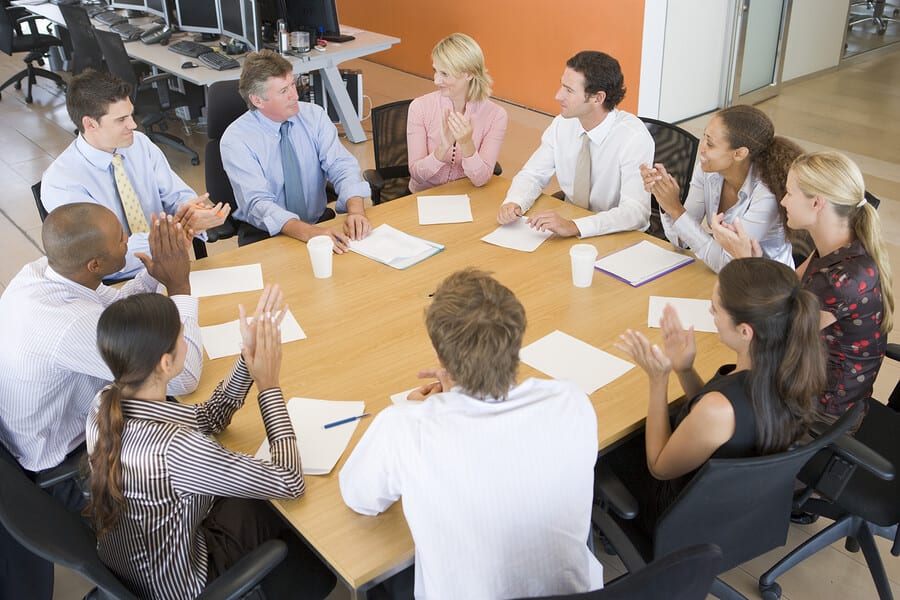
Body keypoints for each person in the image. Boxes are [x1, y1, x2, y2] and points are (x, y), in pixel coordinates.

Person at [339, 269, 603, 599]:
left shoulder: (406, 427)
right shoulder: (571, 402)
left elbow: (358, 497)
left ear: (439, 357)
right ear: (517, 342)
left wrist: (421, 408)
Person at [86, 286, 335, 600]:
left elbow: (209, 418)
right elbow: (289, 481)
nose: (188, 342)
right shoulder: (176, 449)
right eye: (181, 335)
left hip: (134, 568)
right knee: (294, 512)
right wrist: (269, 386)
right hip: (186, 585)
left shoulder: (104, 403)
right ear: (165, 363)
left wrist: (248, 358)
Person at [605, 257, 826, 533]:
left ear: (745, 331)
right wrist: (684, 369)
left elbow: (660, 467)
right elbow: (719, 424)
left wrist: (658, 380)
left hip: (678, 518)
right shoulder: (791, 367)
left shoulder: (719, 409)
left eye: (715, 310)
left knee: (604, 449)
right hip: (737, 505)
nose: (711, 314)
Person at [0, 204, 201, 485]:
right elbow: (183, 378)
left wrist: (156, 272)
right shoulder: (72, 325)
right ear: (95, 265)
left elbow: (114, 309)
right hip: (67, 460)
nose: (129, 239)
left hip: (28, 435)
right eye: (121, 238)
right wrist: (179, 288)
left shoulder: (41, 271)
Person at [719, 152, 893, 422]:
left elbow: (776, 334)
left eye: (789, 193)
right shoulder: (836, 243)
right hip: (805, 380)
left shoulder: (842, 280)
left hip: (820, 414)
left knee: (718, 395)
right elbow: (791, 288)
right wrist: (754, 262)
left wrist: (744, 264)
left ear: (817, 203)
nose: (783, 200)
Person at [42, 69, 228, 280]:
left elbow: (176, 196)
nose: (133, 124)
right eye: (121, 119)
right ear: (90, 124)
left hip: (169, 263)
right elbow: (105, 255)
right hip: (112, 282)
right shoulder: (62, 182)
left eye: (131, 114)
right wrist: (172, 234)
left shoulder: (140, 144)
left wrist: (194, 213)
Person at [221, 49, 372, 250]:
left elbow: (341, 165)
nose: (295, 95)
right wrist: (309, 234)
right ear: (258, 100)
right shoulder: (236, 140)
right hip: (266, 233)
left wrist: (356, 211)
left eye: (293, 84)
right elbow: (258, 203)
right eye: (284, 91)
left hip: (316, 222)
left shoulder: (314, 116)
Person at [497, 51, 653, 238]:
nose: (557, 96)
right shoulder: (562, 124)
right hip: (572, 222)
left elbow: (636, 212)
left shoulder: (633, 138)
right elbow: (533, 174)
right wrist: (515, 201)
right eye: (562, 86)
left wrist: (575, 226)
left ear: (598, 98)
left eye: (569, 90)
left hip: (615, 234)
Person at [641, 105, 802, 272]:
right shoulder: (709, 171)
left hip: (767, 285)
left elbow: (728, 263)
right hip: (729, 276)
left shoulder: (766, 195)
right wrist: (665, 201)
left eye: (710, 144)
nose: (702, 148)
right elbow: (681, 241)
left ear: (739, 153)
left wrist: (676, 209)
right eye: (704, 137)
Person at [407, 33, 507, 193]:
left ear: (469, 74)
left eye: (445, 74)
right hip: (424, 197)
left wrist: (467, 144)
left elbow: (481, 179)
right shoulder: (419, 107)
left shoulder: (496, 115)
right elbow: (417, 175)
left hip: (467, 198)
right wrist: (443, 147)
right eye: (435, 71)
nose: (436, 80)